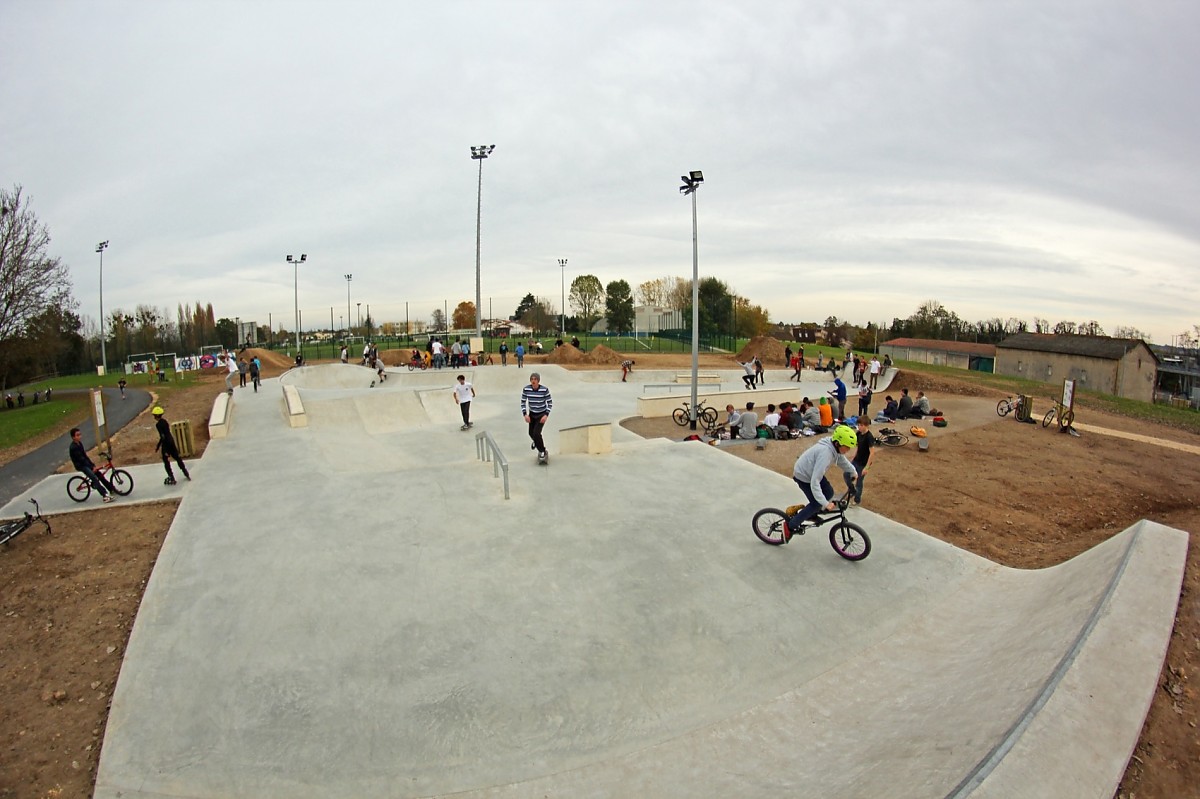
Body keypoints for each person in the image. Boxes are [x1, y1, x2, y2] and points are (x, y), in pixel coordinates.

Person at [783, 425, 858, 540]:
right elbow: (815, 482)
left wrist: (853, 471)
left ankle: (811, 514)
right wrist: (825, 504)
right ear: (837, 443)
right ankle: (790, 525)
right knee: (816, 503)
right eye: (847, 447)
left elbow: (841, 460)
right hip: (804, 476)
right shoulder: (826, 454)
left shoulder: (834, 447)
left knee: (829, 492)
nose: (848, 450)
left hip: (812, 472)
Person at [68, 427, 115, 502]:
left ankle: (111, 488)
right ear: (73, 437)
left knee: (99, 474)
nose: (80, 436)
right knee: (94, 478)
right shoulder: (73, 447)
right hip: (80, 465)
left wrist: (92, 465)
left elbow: (85, 456)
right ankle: (105, 495)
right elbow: (81, 459)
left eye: (80, 434)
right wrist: (91, 467)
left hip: (85, 463)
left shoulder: (79, 444)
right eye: (77, 435)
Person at [152, 406, 191, 484]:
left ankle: (171, 477)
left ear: (156, 416)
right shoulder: (165, 421)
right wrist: (158, 446)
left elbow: (163, 436)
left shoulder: (158, 425)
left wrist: (163, 448)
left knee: (166, 461)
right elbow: (167, 433)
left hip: (166, 443)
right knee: (177, 458)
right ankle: (185, 472)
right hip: (171, 441)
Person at [521, 372, 552, 464]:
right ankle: (537, 442)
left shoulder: (544, 390)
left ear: (538, 381)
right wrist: (525, 414)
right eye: (532, 379)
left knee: (536, 433)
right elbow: (522, 402)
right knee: (531, 433)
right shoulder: (526, 389)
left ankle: (542, 451)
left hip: (541, 415)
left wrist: (546, 415)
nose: (533, 381)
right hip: (532, 414)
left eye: (535, 379)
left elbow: (550, 403)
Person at [845, 417, 875, 505]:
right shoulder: (858, 434)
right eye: (858, 425)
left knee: (859, 482)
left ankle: (857, 500)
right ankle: (852, 490)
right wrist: (854, 457)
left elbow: (872, 452)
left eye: (861, 425)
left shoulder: (869, 437)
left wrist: (867, 467)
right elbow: (858, 447)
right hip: (856, 460)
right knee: (846, 474)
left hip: (863, 464)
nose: (859, 427)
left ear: (866, 426)